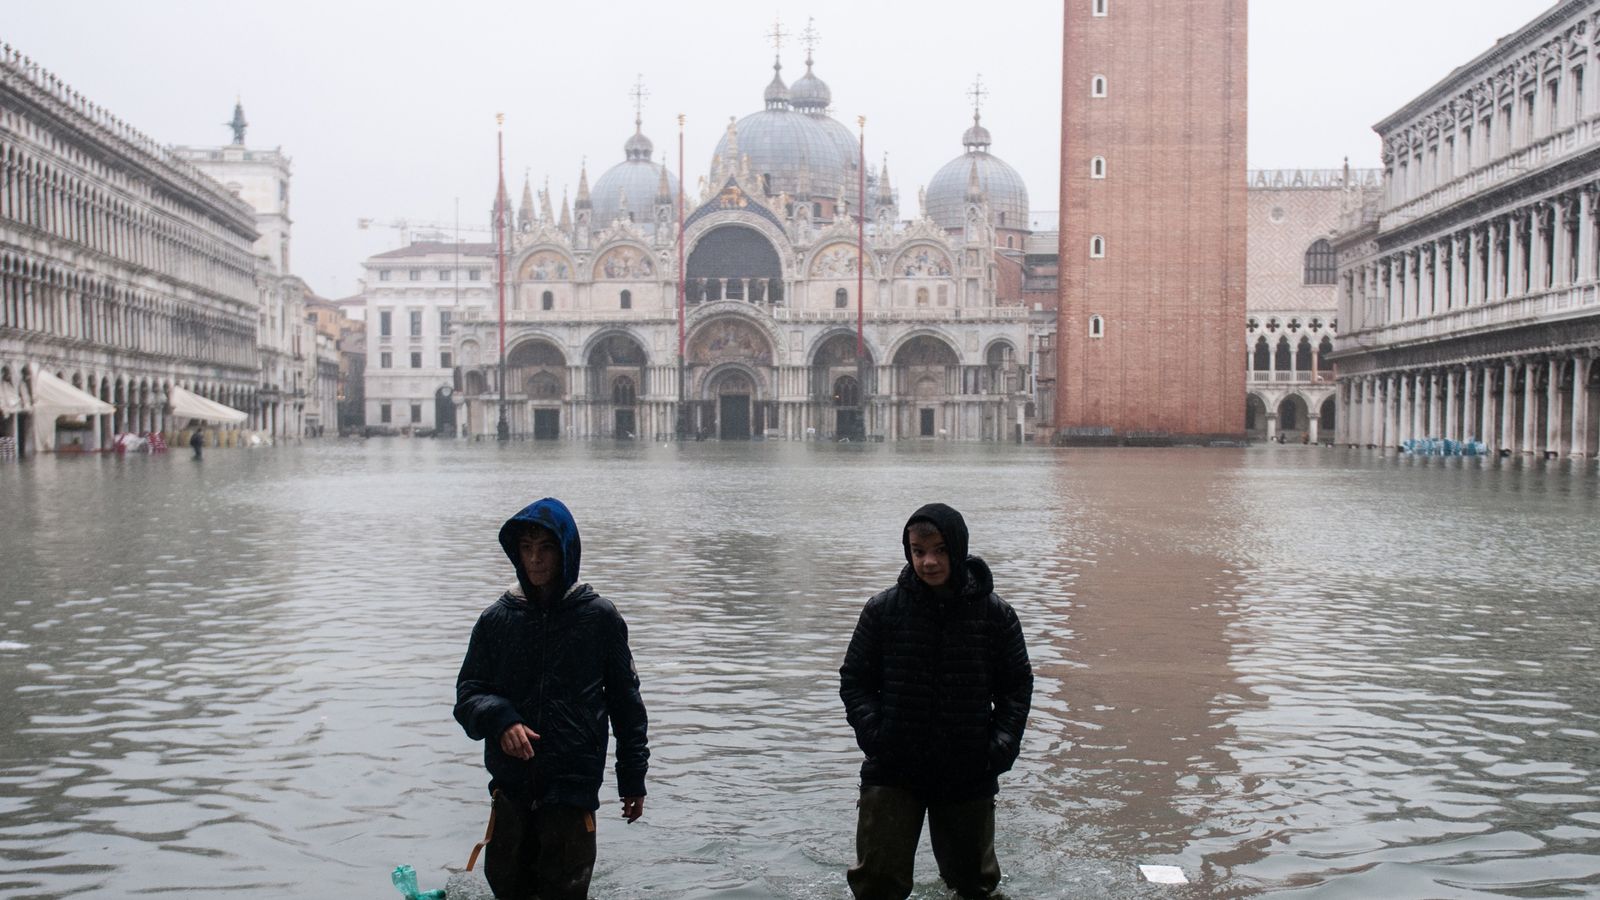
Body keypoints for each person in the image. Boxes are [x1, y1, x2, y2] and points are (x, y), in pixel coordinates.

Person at [454, 498, 649, 900]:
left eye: (545, 548)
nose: (536, 560)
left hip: (572, 786)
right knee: (508, 888)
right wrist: (502, 720)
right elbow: (469, 694)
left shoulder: (599, 618)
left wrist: (632, 779)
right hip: (510, 786)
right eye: (526, 549)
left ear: (565, 552)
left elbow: (627, 706)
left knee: (566, 889)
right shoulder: (496, 620)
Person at [839, 503, 1032, 900]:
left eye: (940, 550)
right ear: (907, 551)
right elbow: (855, 681)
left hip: (967, 769)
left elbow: (1016, 689)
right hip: (893, 768)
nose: (928, 562)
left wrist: (999, 748)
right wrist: (877, 737)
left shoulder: (996, 616)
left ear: (957, 549)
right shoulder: (882, 611)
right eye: (918, 550)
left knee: (973, 886)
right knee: (876, 884)